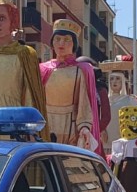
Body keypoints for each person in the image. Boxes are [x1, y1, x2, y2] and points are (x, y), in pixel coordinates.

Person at [40, 19, 100, 151]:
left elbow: (84, 101)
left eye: (67, 39)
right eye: (58, 39)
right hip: (46, 125)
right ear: (52, 42)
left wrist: (84, 126)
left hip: (70, 127)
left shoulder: (80, 70)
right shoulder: (42, 69)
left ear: (74, 44)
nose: (61, 43)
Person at [106, 71, 137, 147]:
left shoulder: (130, 100)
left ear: (122, 82)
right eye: (111, 79)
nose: (114, 81)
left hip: (124, 139)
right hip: (107, 139)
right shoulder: (104, 100)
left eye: (117, 78)